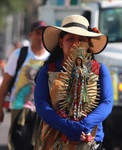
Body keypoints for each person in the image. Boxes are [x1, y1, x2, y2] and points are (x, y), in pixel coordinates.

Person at [34, 14, 113, 150]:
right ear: (61, 42)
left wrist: (84, 125)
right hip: (54, 142)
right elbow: (42, 105)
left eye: (81, 39)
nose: (76, 43)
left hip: (90, 142)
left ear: (88, 44)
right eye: (70, 39)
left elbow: (106, 103)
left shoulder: (99, 70)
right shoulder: (47, 71)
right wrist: (66, 126)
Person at [0, 20, 50, 150]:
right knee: (18, 144)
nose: (40, 37)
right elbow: (6, 82)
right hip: (20, 107)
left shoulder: (51, 57)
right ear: (30, 34)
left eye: (43, 34)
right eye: (37, 33)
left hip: (43, 111)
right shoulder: (19, 54)